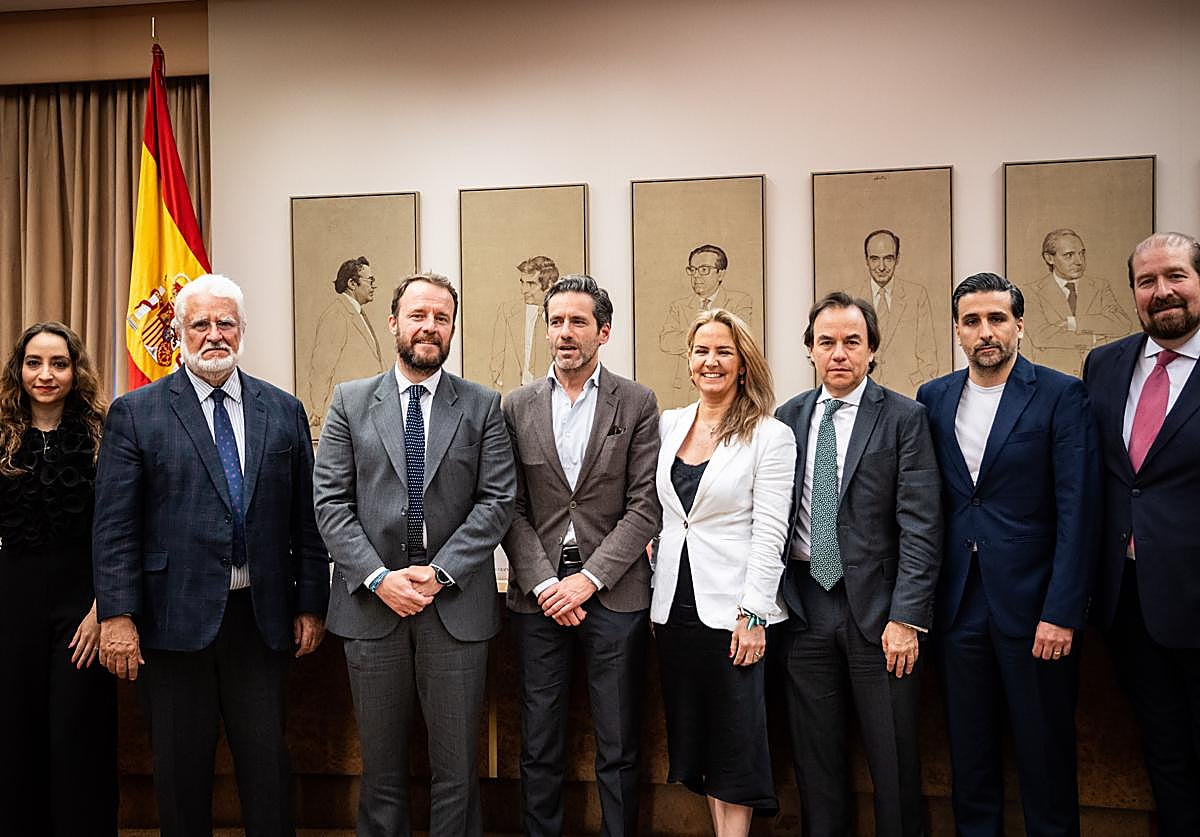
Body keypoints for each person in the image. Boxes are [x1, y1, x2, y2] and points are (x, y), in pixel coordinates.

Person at [93, 273, 330, 837]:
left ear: (242, 329)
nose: (214, 335)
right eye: (200, 324)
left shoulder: (284, 409)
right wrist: (117, 616)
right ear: (179, 333)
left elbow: (308, 517)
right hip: (171, 624)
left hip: (261, 619)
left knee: (268, 771)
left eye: (226, 323)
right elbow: (114, 526)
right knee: (180, 776)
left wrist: (311, 603)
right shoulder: (136, 412)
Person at [313, 271, 516, 837]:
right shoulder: (351, 402)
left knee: (457, 772)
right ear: (394, 322)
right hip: (372, 609)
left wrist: (440, 573)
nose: (429, 327)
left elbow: (497, 501)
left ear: (452, 328)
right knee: (380, 772)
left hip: (455, 611)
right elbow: (330, 502)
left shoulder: (481, 405)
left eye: (441, 318)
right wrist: (380, 578)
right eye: (419, 315)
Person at [917, 273, 1099, 837]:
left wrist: (1062, 612)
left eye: (997, 319)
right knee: (969, 761)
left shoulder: (1060, 393)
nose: (985, 331)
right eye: (972, 321)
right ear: (957, 330)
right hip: (959, 608)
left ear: (1019, 325)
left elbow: (1079, 509)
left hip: (1035, 608)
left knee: (1044, 761)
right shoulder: (933, 396)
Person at [775, 291, 941, 837]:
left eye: (852, 341)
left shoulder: (904, 418)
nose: (839, 352)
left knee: (893, 761)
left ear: (872, 349)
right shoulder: (787, 418)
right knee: (815, 762)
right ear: (810, 350)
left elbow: (921, 525)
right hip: (805, 607)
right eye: (826, 342)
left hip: (880, 615)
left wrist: (907, 618)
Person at [502, 274, 662, 836]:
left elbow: (645, 507)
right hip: (537, 600)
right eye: (556, 322)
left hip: (614, 596)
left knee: (618, 744)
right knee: (539, 742)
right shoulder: (515, 406)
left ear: (604, 331)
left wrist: (588, 580)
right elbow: (510, 508)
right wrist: (548, 584)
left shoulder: (638, 402)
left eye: (577, 322)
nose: (565, 333)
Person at [653, 308, 796, 836]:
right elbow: (668, 514)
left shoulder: (770, 436)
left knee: (736, 742)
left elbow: (770, 530)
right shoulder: (670, 424)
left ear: (742, 364)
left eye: (723, 352)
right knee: (702, 740)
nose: (711, 361)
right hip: (674, 607)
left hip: (736, 613)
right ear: (689, 362)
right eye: (702, 351)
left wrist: (754, 613)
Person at [1082, 232, 1200, 837]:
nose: (1162, 292)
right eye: (1147, 281)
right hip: (1131, 602)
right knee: (1164, 751)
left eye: (1175, 276)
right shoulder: (1105, 364)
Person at [0, 322, 117, 837]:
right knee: (15, 734)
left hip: (83, 608)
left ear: (76, 371)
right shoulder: (0, 431)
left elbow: (121, 529)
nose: (45, 374)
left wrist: (103, 608)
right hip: (10, 606)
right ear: (18, 370)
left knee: (77, 735)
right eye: (34, 363)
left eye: (59, 363)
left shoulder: (106, 433)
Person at [1023, 228, 1134, 376]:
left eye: (1081, 253)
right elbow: (1041, 337)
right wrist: (1095, 338)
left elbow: (1122, 324)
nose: (1079, 261)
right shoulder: (1030, 292)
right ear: (1049, 258)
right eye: (1069, 255)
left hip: (1098, 377)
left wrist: (1073, 323)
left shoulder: (1099, 286)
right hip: (1053, 379)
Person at [660, 245, 754, 395]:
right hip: (683, 390)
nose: (696, 276)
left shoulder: (740, 301)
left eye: (704, 270)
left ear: (720, 274)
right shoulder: (679, 306)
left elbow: (739, 340)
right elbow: (666, 341)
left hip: (729, 389)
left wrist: (695, 339)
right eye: (692, 270)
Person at [308, 256, 386, 430]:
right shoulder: (336, 315)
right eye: (370, 280)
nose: (374, 286)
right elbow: (321, 368)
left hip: (366, 414)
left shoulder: (357, 314)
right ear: (352, 283)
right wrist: (318, 410)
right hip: (347, 418)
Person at [860, 229, 939, 393]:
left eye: (888, 259)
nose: (881, 267)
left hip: (906, 395)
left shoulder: (916, 295)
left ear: (897, 259)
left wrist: (915, 387)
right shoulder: (850, 298)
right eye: (875, 259)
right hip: (862, 396)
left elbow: (928, 356)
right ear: (866, 260)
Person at [490, 255, 558, 392]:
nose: (523, 290)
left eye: (531, 284)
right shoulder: (507, 311)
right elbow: (497, 357)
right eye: (522, 282)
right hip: (514, 395)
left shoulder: (563, 315)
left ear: (549, 284)